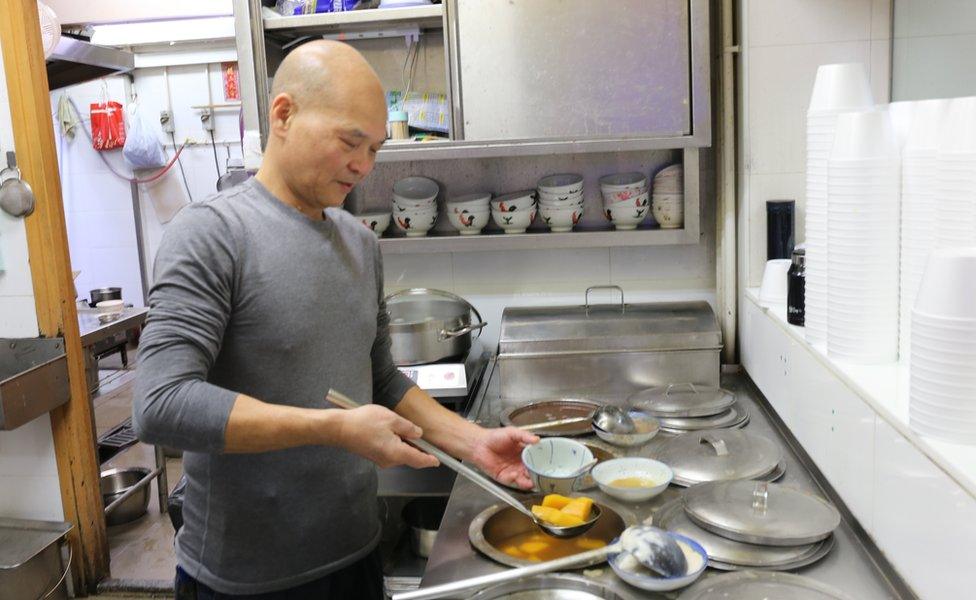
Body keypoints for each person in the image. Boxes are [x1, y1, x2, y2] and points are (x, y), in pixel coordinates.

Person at [133, 40, 538, 599]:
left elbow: (381, 378)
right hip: (244, 579)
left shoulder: (359, 243)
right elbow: (160, 404)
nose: (364, 166)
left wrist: (475, 443)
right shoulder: (211, 234)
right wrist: (333, 428)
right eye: (351, 142)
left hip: (355, 556)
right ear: (284, 114)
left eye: (374, 148)